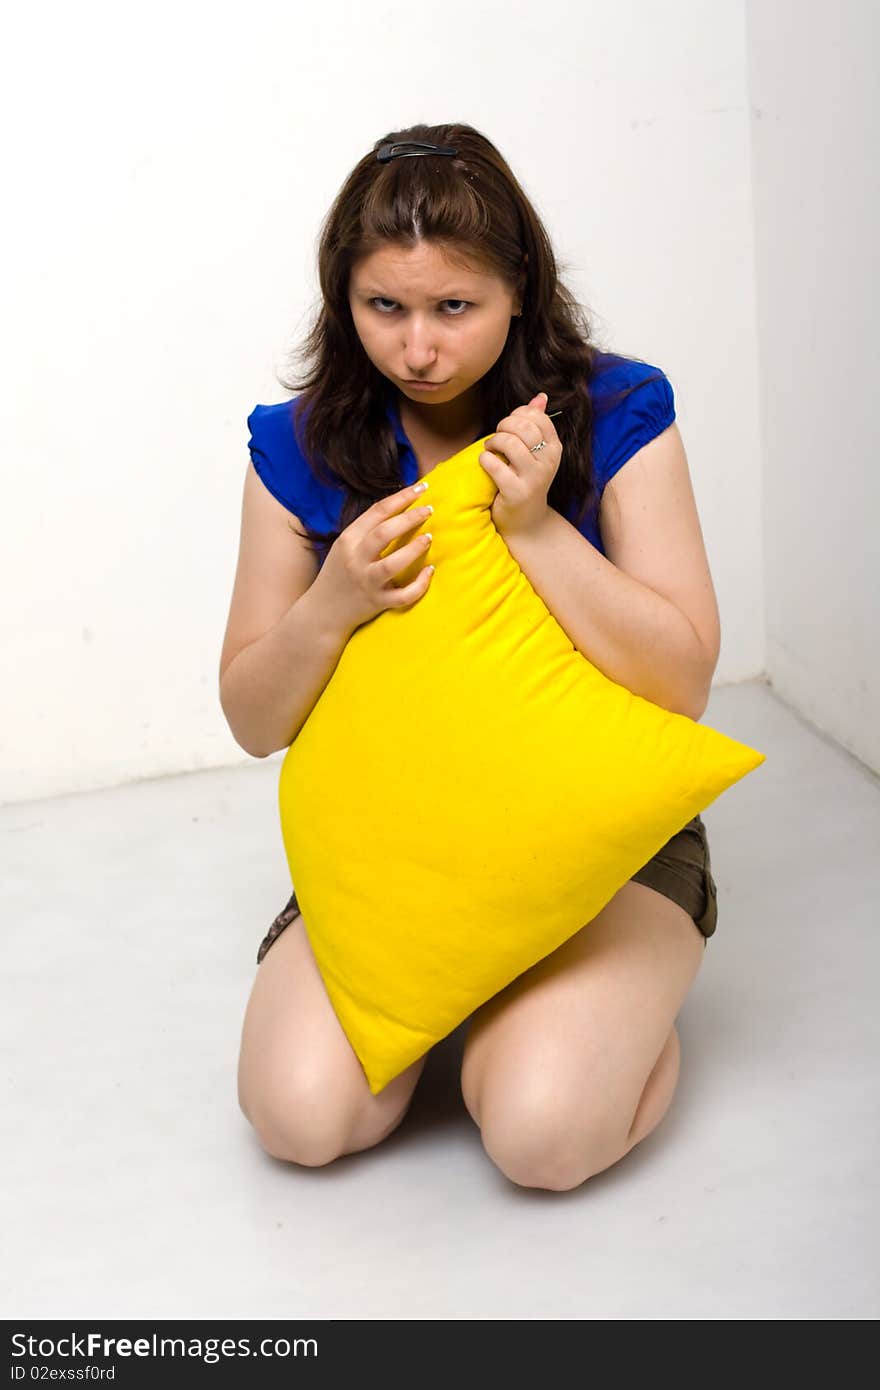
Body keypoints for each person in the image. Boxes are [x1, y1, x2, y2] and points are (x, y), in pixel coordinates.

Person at [220, 124, 721, 1191]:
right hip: (395, 850)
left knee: (542, 1136)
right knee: (300, 1117)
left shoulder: (619, 409)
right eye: (383, 308)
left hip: (598, 845)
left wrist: (535, 532)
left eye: (455, 307)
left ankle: (592, 1023)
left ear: (519, 291)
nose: (417, 349)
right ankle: (480, 992)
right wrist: (334, 599)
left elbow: (679, 683)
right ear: (341, 298)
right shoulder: (299, 445)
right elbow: (254, 720)